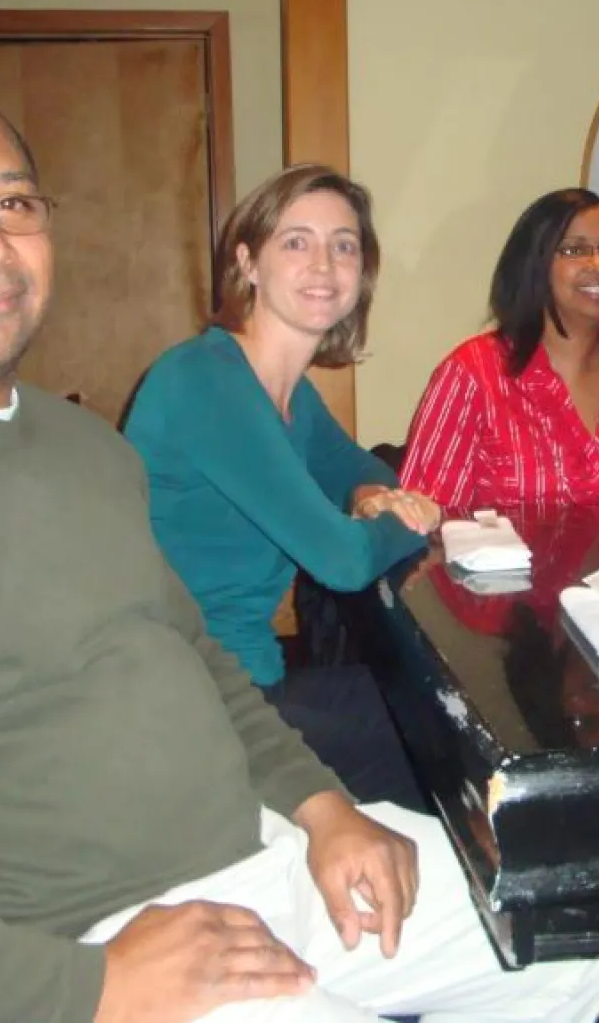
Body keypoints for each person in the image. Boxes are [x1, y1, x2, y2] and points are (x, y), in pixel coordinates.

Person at [0, 78, 599, 1023]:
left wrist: (322, 809)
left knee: (558, 909)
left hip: (255, 858)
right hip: (80, 943)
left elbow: (196, 654)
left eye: (13, 203)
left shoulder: (81, 448)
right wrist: (91, 989)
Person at [123, 165, 437, 808]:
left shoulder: (285, 390)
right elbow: (344, 561)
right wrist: (402, 519)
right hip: (182, 707)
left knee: (424, 713)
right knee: (434, 748)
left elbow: (363, 470)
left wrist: (374, 499)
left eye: (343, 245)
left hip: (243, 678)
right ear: (249, 262)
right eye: (296, 241)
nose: (323, 263)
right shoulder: (206, 380)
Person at [401, 188, 599, 508]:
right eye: (574, 250)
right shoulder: (473, 373)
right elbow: (424, 519)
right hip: (511, 560)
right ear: (535, 263)